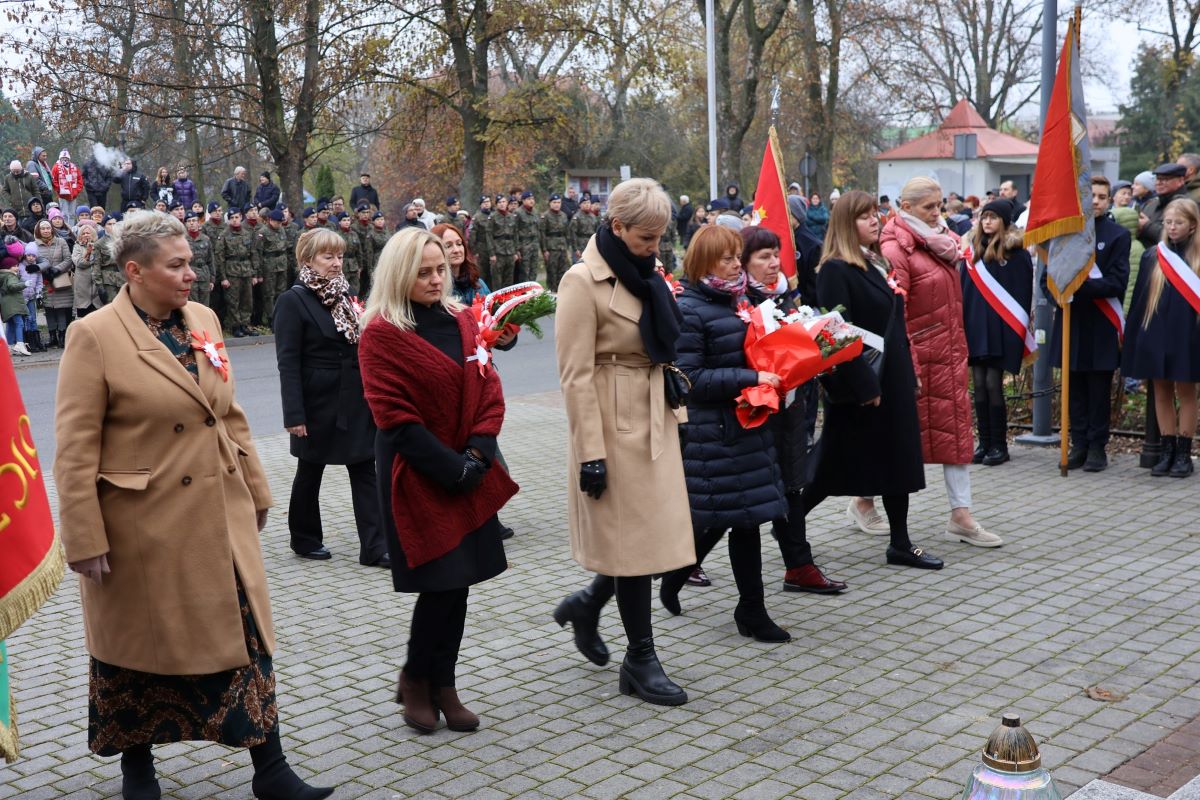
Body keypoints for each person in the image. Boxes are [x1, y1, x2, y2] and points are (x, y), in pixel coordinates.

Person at [53, 210, 334, 800]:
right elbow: (75, 448)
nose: (190, 275)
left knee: (246, 638)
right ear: (135, 271)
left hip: (217, 514)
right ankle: (138, 772)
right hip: (140, 529)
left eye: (191, 262)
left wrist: (256, 487)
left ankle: (272, 770)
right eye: (176, 265)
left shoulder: (202, 320)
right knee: (133, 653)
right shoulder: (95, 335)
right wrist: (83, 537)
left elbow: (227, 413)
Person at [358, 227, 518, 734]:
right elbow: (394, 418)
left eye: (439, 271)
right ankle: (416, 679)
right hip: (419, 472)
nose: (434, 279)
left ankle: (443, 683)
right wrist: (454, 469)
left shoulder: (461, 318)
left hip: (468, 464)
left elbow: (488, 387)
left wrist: (479, 452)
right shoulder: (382, 332)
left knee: (461, 583)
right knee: (440, 584)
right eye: (423, 272)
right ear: (399, 275)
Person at [551, 177, 695, 706]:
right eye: (645, 238)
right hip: (611, 424)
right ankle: (641, 659)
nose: (656, 248)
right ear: (616, 227)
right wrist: (591, 453)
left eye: (659, 238)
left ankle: (588, 604)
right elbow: (575, 375)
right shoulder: (580, 282)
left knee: (650, 538)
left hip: (652, 412)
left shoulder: (644, 272)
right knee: (635, 545)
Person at [654, 224, 790, 639]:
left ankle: (696, 584)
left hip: (747, 422)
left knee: (737, 518)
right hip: (714, 431)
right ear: (703, 262)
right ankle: (749, 611)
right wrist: (751, 376)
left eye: (736, 256)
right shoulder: (689, 308)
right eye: (726, 258)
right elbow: (688, 378)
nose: (735, 264)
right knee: (734, 518)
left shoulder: (739, 300)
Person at [797, 190, 944, 570]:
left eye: (875, 213)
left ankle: (900, 542)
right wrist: (864, 386)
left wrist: (907, 374)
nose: (875, 220)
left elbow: (894, 327)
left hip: (890, 377)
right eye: (864, 216)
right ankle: (790, 526)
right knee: (831, 467)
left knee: (898, 460)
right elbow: (835, 334)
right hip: (861, 385)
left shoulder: (872, 263)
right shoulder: (834, 269)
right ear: (847, 224)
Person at [874, 177, 1001, 547]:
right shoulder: (896, 247)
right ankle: (863, 499)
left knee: (956, 432)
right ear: (907, 208)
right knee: (896, 439)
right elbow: (898, 313)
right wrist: (910, 362)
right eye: (928, 207)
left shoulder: (941, 241)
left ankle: (961, 515)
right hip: (916, 358)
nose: (937, 213)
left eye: (939, 205)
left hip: (947, 353)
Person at [273, 228, 388, 567]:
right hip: (316, 401)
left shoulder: (345, 293)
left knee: (365, 466)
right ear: (307, 260)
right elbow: (288, 362)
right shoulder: (292, 301)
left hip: (354, 396)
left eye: (339, 256)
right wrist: (294, 415)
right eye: (328, 257)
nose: (337, 263)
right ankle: (305, 538)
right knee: (310, 470)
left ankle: (375, 546)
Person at [1044, 177, 1131, 472]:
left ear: (1109, 201)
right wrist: (1058, 293)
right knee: (1073, 388)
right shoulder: (1065, 232)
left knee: (1097, 388)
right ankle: (1078, 442)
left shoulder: (1118, 235)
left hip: (1101, 321)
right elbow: (1049, 278)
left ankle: (1097, 446)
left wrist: (1077, 288)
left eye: (1102, 196)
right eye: (1090, 195)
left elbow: (1117, 282)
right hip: (1071, 320)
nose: (1095, 200)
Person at [1124, 197, 1200, 477]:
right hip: (1156, 333)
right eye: (1168, 222)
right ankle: (1166, 449)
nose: (1172, 228)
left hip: (1189, 336)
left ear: (1192, 226)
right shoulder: (1153, 256)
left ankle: (1183, 452)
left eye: (1179, 223)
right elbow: (1140, 301)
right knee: (1161, 390)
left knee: (1187, 391)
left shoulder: (1198, 257)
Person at [960, 198, 1034, 467]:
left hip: (1001, 330)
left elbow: (1022, 295)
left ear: (1005, 221)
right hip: (976, 326)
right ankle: (985, 441)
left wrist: (1017, 332)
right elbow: (963, 292)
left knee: (993, 384)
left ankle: (999, 445)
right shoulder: (971, 253)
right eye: (983, 217)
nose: (987, 221)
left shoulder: (1016, 253)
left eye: (992, 217)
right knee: (978, 385)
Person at [216, 208, 263, 337]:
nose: (235, 220)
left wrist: (254, 273)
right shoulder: (224, 235)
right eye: (232, 218)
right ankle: (236, 326)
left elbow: (253, 253)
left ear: (241, 217)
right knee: (233, 301)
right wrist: (223, 278)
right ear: (229, 220)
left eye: (236, 217)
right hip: (232, 271)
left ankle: (245, 324)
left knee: (247, 300)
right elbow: (219, 258)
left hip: (246, 270)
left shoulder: (247, 233)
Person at [33, 218, 74, 347]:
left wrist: (57, 269)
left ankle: (62, 336)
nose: (46, 231)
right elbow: (33, 261)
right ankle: (52, 337)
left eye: (48, 228)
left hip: (60, 279)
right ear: (38, 231)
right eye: (43, 229)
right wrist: (44, 271)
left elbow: (68, 259)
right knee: (49, 309)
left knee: (61, 309)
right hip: (45, 281)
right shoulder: (34, 245)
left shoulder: (61, 242)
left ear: (52, 229)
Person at [1139, 163, 1189, 249]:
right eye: (1157, 179)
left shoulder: (1187, 206)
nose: (1159, 183)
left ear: (1180, 181)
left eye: (1165, 179)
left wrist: (1147, 226)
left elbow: (1179, 238)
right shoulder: (1151, 204)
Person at [0, 242, 29, 356]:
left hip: (7, 304)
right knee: (19, 323)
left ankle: (9, 345)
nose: (17, 268)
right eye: (15, 266)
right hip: (13, 304)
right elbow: (12, 286)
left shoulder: (4, 276)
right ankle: (20, 343)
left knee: (11, 324)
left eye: (17, 265)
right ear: (8, 267)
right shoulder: (10, 276)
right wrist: (24, 284)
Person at [541, 193, 571, 290]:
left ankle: (561, 292)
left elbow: (567, 232)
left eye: (558, 202)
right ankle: (551, 292)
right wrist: (544, 250)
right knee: (552, 272)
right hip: (551, 248)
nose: (557, 204)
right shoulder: (545, 216)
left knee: (562, 271)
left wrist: (567, 247)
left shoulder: (564, 216)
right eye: (554, 202)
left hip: (562, 247)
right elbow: (542, 234)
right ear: (550, 203)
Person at [71, 220, 101, 317]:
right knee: (83, 319)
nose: (86, 235)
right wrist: (88, 252)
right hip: (83, 290)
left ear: (93, 234)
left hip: (97, 290)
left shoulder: (99, 246)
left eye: (88, 233)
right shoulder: (77, 247)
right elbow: (79, 263)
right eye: (83, 233)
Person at [515, 191, 542, 284]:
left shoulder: (535, 212)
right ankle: (524, 294)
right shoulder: (518, 213)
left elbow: (538, 229)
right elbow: (515, 231)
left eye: (532, 199)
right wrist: (517, 249)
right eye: (529, 199)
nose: (531, 201)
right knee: (524, 272)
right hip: (524, 246)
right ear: (523, 200)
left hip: (534, 245)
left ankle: (533, 293)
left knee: (534, 270)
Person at [51, 149, 84, 218]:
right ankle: (65, 228)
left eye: (66, 158)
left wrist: (77, 190)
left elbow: (79, 179)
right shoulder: (56, 167)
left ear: (69, 159)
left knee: (72, 214)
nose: (65, 160)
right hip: (63, 195)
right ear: (60, 158)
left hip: (73, 195)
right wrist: (59, 190)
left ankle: (71, 228)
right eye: (63, 158)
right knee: (64, 214)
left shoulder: (74, 167)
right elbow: (54, 180)